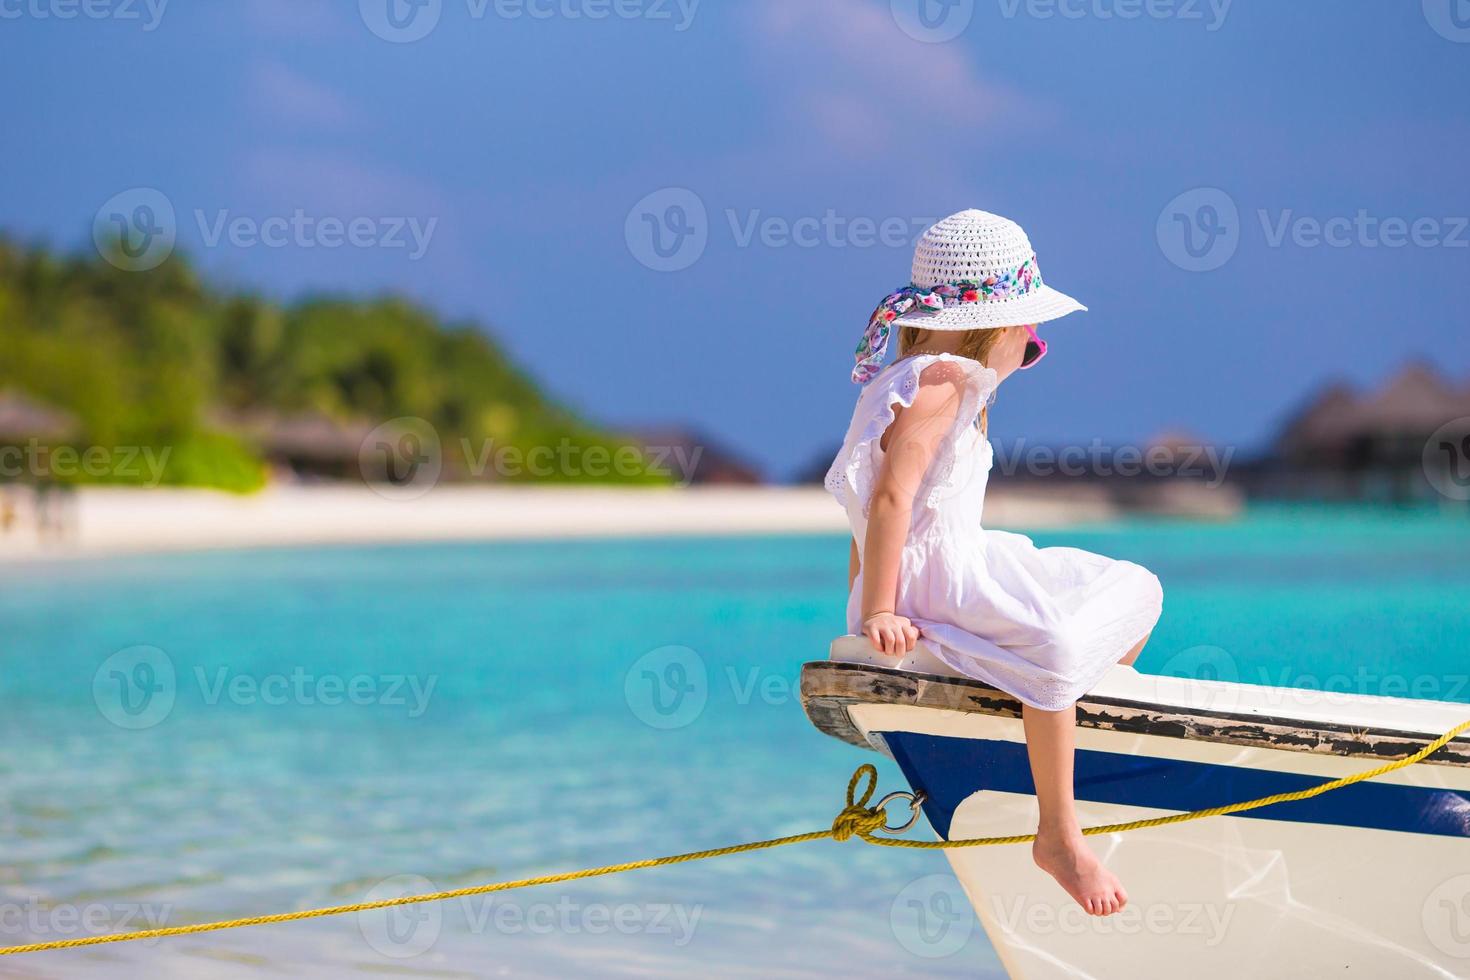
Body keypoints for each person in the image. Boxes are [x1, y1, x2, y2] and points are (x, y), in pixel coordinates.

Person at [824, 209, 1163, 916]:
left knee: (1128, 585)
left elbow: (864, 513)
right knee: (1058, 640)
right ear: (999, 328)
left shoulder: (903, 383)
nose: (1032, 348)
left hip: (946, 567)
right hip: (934, 586)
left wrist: (859, 597)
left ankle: (1064, 716)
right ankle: (1059, 834)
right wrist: (881, 610)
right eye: (1029, 336)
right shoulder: (941, 384)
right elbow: (888, 500)